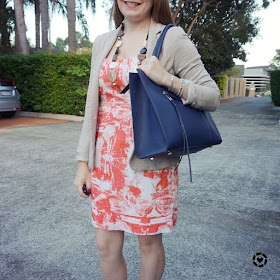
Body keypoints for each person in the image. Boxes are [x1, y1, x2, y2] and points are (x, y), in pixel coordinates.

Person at [74, 0, 220, 279]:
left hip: (150, 161)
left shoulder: (172, 38)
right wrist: (83, 162)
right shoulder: (103, 41)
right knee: (106, 245)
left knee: (148, 242)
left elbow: (211, 95)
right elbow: (93, 107)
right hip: (105, 164)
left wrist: (167, 78)